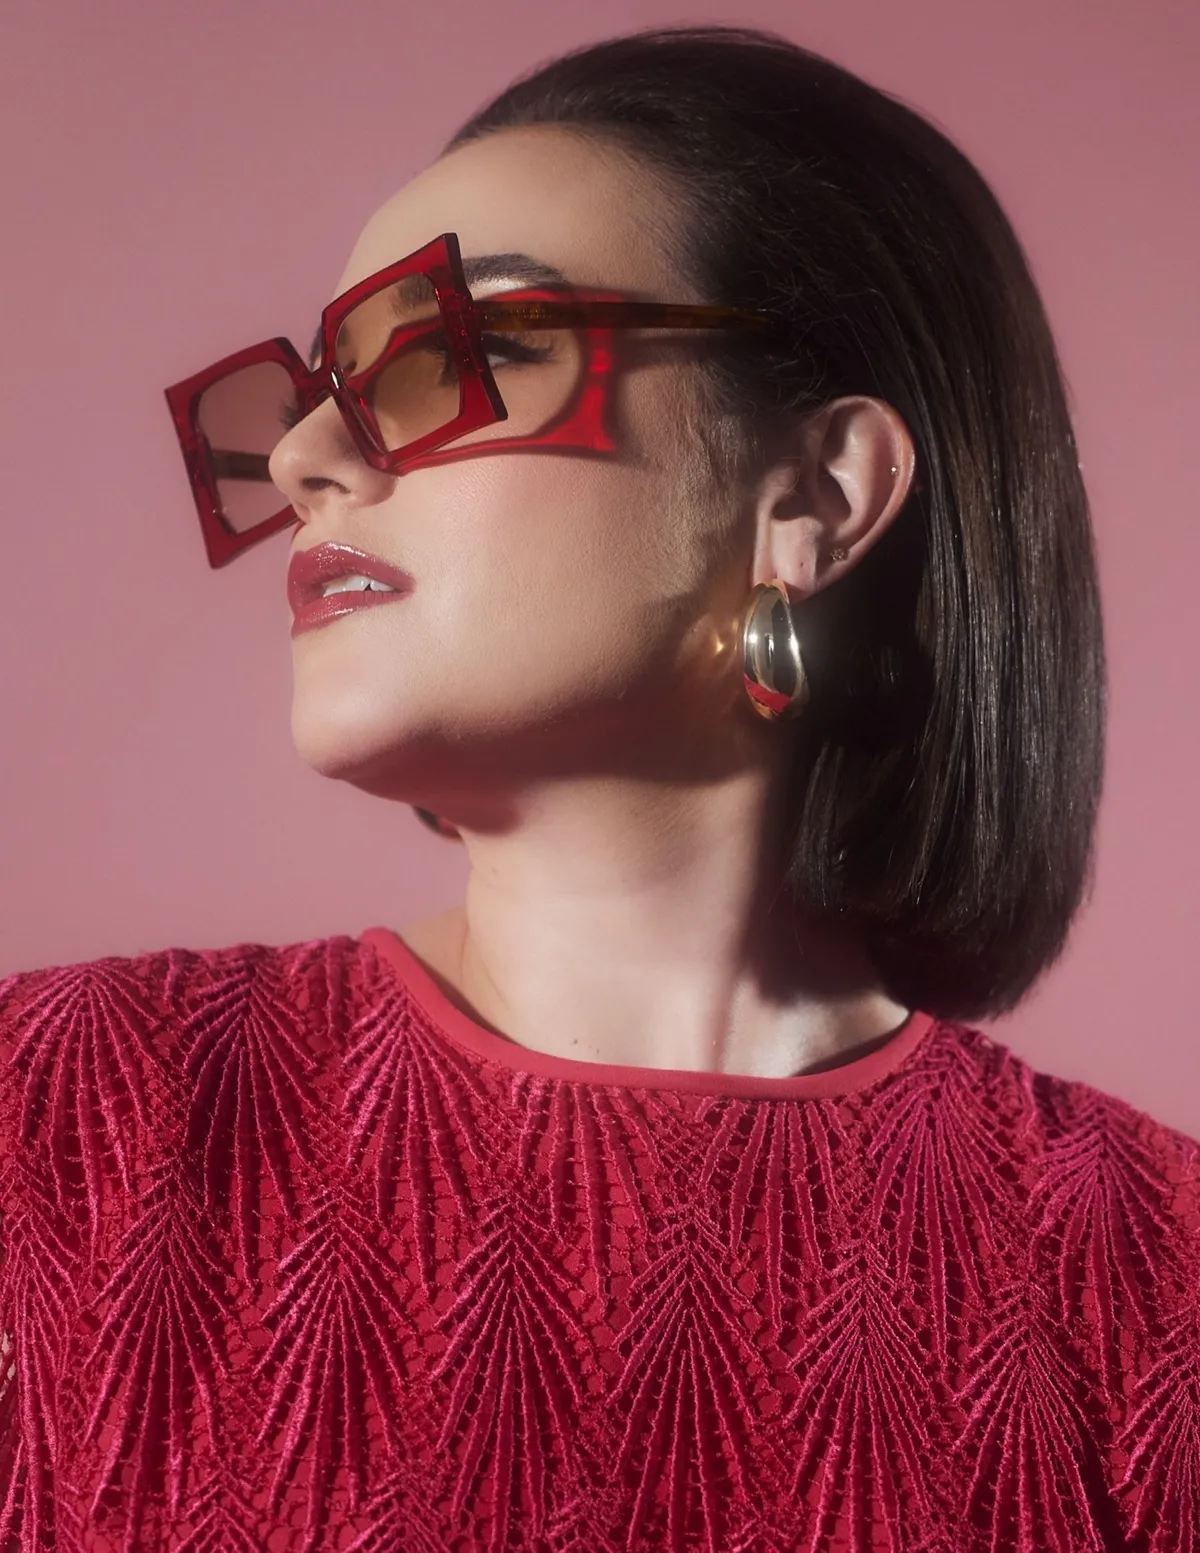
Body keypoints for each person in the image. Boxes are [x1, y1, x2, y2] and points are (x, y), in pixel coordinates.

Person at [1, 22, 1196, 1553]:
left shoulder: (1159, 1289)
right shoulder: (54, 1126)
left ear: (817, 494)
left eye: (460, 353)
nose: (306, 456)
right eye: (319, 388)